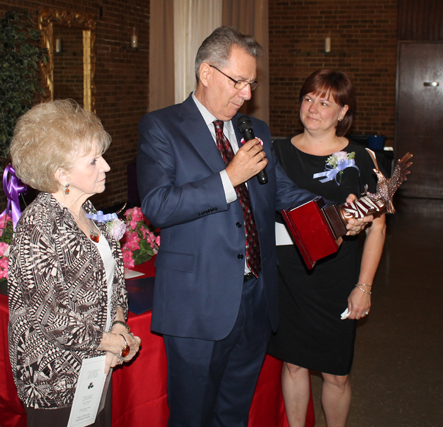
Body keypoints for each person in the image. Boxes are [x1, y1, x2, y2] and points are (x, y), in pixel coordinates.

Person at [137, 27, 368, 427]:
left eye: (251, 83)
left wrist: (338, 211)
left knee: (234, 413)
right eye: (238, 82)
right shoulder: (162, 127)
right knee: (192, 415)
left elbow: (284, 193)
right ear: (207, 73)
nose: (247, 94)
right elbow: (158, 206)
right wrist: (228, 179)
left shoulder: (254, 131)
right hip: (199, 305)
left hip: (255, 300)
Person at [8, 100, 141, 427]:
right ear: (61, 173)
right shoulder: (37, 227)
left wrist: (120, 326)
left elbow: (115, 283)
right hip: (57, 378)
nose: (107, 167)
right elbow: (51, 318)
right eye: (94, 160)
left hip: (97, 367)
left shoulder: (89, 211)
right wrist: (116, 343)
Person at [267, 70, 387, 427]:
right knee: (293, 363)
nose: (313, 108)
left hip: (337, 276)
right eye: (308, 98)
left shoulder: (361, 158)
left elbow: (378, 228)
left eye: (325, 102)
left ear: (342, 112)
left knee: (337, 374)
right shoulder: (276, 152)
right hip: (287, 273)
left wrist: (363, 286)